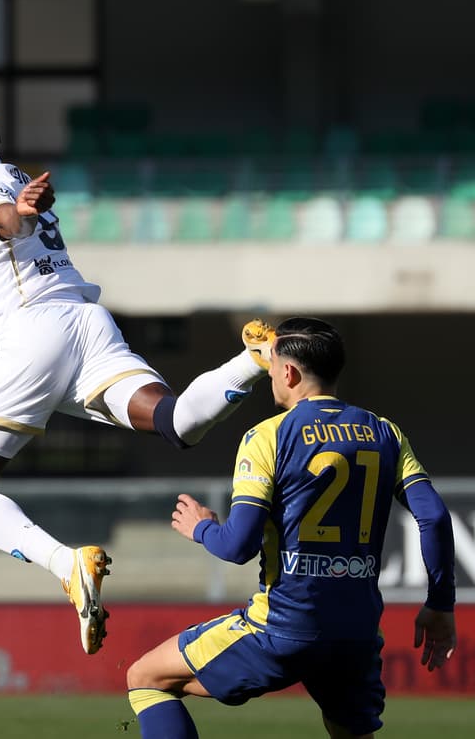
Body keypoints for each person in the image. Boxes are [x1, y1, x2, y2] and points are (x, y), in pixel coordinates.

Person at [0, 108, 276, 655]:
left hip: (33, 333)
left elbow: (10, 222)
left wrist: (22, 215)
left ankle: (66, 563)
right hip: (85, 321)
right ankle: (253, 359)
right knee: (174, 420)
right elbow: (14, 240)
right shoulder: (4, 176)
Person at [124, 316, 457, 738]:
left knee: (147, 678)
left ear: (289, 372)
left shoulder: (268, 437)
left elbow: (238, 546)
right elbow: (434, 517)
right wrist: (441, 605)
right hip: (355, 633)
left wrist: (202, 528)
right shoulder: (385, 432)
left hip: (282, 628)